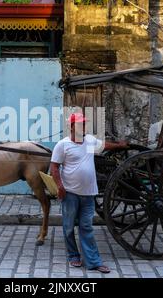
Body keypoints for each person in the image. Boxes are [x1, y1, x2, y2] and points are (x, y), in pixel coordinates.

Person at [50, 112, 127, 273]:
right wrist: (60, 187)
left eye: (84, 124)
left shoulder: (90, 141)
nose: (83, 127)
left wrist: (119, 145)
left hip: (89, 194)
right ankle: (73, 255)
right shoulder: (62, 145)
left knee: (86, 226)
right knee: (69, 226)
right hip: (70, 194)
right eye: (79, 124)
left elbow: (105, 145)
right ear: (71, 127)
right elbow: (54, 167)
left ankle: (94, 261)